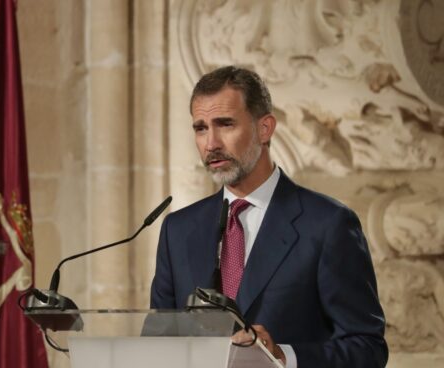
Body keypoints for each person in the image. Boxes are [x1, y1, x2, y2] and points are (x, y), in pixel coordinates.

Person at [149, 66, 388, 367]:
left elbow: (367, 348)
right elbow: (158, 345)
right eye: (201, 128)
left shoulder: (328, 224)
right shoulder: (177, 229)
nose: (211, 144)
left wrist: (283, 356)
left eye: (225, 124)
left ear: (265, 128)